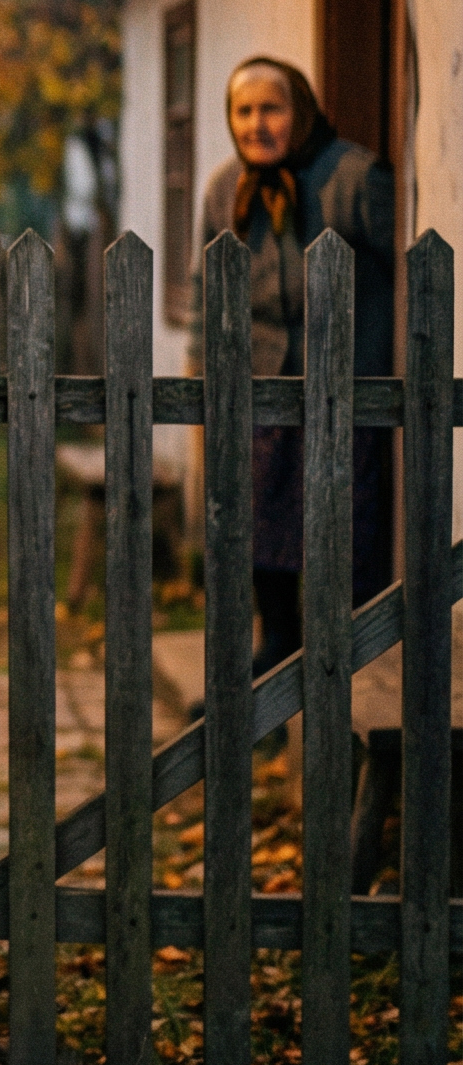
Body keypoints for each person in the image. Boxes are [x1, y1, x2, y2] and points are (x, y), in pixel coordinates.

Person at [191, 56, 393, 673]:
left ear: (300, 110)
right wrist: (202, 379)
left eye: (271, 108)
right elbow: (205, 292)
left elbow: (406, 279)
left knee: (343, 533)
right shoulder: (226, 188)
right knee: (260, 532)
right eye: (243, 110)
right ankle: (277, 653)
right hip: (257, 391)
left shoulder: (356, 176)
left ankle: (349, 662)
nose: (257, 123)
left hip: (344, 393)